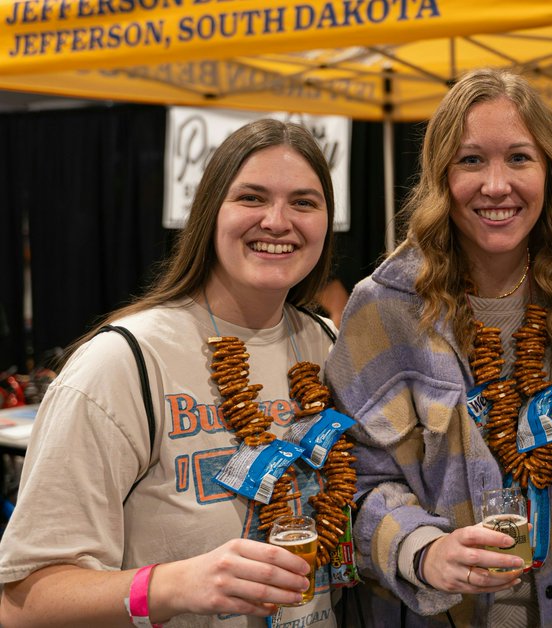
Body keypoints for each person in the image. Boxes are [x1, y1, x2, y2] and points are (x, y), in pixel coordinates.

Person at [0, 119, 346, 627]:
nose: (277, 220)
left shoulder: (328, 345)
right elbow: (20, 601)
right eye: (251, 197)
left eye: (303, 202)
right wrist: (174, 585)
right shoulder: (122, 363)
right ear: (209, 214)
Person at [324, 68, 552, 627]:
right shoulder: (383, 308)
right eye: (471, 161)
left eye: (519, 158)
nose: (496, 185)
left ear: (550, 172)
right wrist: (421, 548)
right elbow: (348, 479)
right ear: (440, 176)